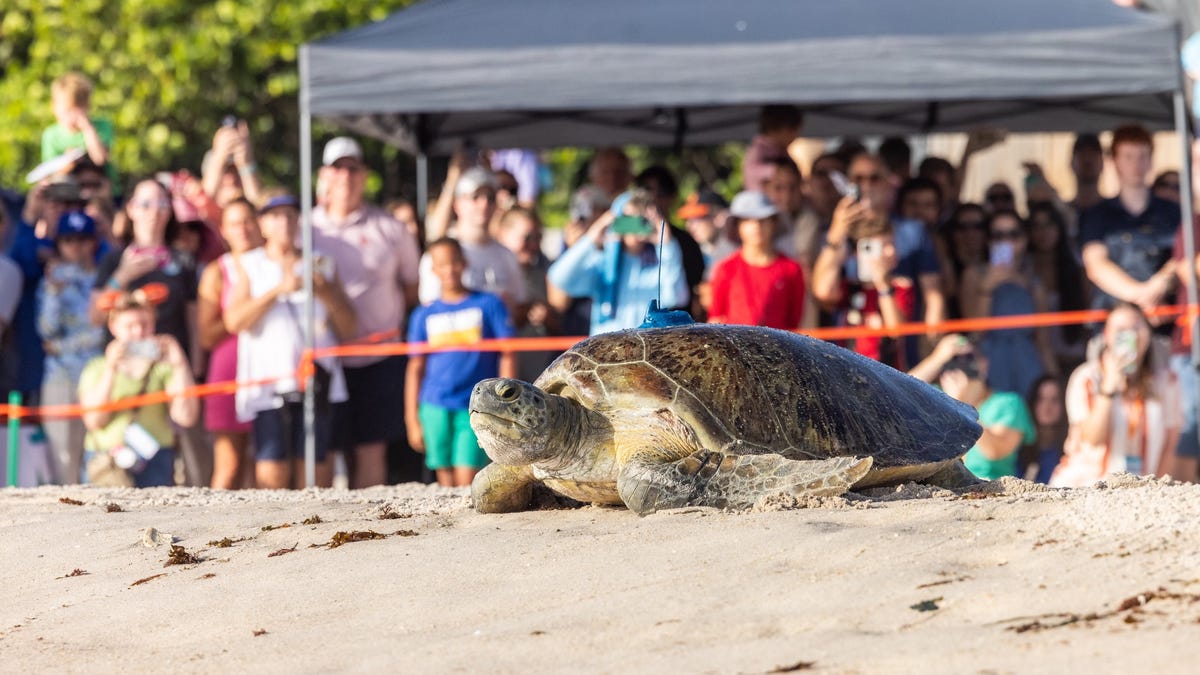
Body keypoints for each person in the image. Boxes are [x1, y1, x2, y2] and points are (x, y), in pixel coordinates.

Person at [227, 193, 357, 489]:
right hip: (271, 385)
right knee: (272, 469)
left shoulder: (322, 262)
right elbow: (235, 321)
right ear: (263, 224)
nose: (284, 222)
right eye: (275, 216)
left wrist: (325, 292)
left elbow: (349, 327)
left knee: (316, 468)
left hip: (317, 382)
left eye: (289, 215)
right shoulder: (250, 264)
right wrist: (277, 291)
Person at [312, 136, 421, 488]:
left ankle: (369, 530)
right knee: (327, 449)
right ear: (324, 175)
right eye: (337, 168)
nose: (345, 176)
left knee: (371, 449)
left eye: (353, 168)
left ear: (364, 175)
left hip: (379, 355)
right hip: (326, 357)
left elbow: (412, 285)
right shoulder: (307, 230)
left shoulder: (390, 228)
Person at [91, 178, 204, 484]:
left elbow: (193, 320)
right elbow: (94, 315)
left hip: (169, 369)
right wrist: (122, 276)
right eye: (145, 203)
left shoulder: (182, 260)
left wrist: (194, 367)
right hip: (123, 369)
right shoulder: (115, 258)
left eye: (162, 203)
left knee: (183, 460)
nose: (154, 211)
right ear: (130, 209)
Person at [812, 152, 944, 363]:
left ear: (888, 182)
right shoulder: (836, 233)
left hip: (899, 354)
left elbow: (933, 295)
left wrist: (932, 350)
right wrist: (837, 232)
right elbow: (823, 292)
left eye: (874, 178)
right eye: (858, 179)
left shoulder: (912, 230)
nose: (867, 185)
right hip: (849, 356)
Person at [406, 238, 516, 487]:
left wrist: (504, 402)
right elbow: (415, 368)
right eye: (442, 264)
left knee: (467, 476)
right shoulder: (423, 314)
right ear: (433, 270)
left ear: (464, 264)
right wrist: (412, 419)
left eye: (454, 262)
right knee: (444, 477)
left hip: (474, 405)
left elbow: (507, 353)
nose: (449, 270)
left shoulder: (489, 304)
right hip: (434, 404)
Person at [79, 284, 198, 487]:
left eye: (144, 324)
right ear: (113, 327)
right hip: (107, 458)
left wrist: (180, 364)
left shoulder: (163, 369)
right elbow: (94, 421)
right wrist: (110, 369)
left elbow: (186, 417)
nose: (138, 332)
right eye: (130, 326)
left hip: (156, 455)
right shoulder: (96, 368)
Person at [1049, 304, 1180, 487]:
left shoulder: (1166, 381)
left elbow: (1171, 442)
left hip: (1140, 491)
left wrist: (1157, 487)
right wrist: (1109, 387)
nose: (1130, 335)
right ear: (1106, 335)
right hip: (1086, 485)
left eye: (1136, 327)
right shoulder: (1087, 377)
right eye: (1121, 330)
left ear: (1148, 333)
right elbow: (1093, 440)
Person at [1079, 124, 1181, 326]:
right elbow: (1096, 265)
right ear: (1114, 161)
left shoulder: (1174, 212)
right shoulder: (1097, 215)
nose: (1136, 164)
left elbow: (1184, 257)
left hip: (1163, 324)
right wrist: (1142, 297)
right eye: (1128, 156)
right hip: (1113, 324)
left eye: (1142, 156)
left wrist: (1160, 285)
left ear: (1151, 161)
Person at [548, 189, 688, 335]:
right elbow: (559, 279)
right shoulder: (603, 263)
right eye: (627, 219)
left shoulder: (660, 262)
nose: (634, 226)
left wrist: (666, 245)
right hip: (608, 352)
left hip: (645, 350)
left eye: (641, 219)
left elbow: (677, 297)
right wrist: (592, 236)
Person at [198, 198, 263, 489]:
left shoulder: (274, 264)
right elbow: (206, 334)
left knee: (264, 462)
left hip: (267, 368)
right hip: (229, 370)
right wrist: (242, 315)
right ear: (224, 230)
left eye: (248, 221)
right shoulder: (217, 272)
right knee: (229, 464)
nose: (243, 230)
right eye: (235, 223)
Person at [37, 211, 105, 484]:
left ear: (93, 242)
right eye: (67, 239)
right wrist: (53, 292)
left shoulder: (104, 277)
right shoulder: (51, 279)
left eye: (82, 238)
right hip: (60, 378)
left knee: (97, 452)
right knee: (63, 456)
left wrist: (62, 346)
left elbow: (102, 333)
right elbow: (45, 330)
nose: (75, 245)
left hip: (99, 375)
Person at [908, 335, 1036, 480]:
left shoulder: (1008, 403)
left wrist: (960, 406)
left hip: (990, 485)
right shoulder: (938, 397)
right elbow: (898, 391)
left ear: (984, 363)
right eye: (954, 359)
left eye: (968, 358)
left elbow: (995, 451)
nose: (961, 364)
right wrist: (938, 358)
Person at [959, 209, 1056, 395]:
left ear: (1024, 239)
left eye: (1014, 234)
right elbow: (975, 332)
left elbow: (1043, 341)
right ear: (989, 240)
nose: (1007, 241)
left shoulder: (1033, 283)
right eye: (998, 235)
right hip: (990, 362)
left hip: (1028, 362)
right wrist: (988, 288)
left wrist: (1053, 380)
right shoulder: (974, 275)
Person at [9, 176, 87, 402]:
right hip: (35, 367)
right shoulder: (32, 245)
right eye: (55, 205)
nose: (62, 212)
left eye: (70, 205)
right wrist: (30, 217)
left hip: (85, 368)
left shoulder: (93, 245)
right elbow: (14, 269)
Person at [417, 166, 527, 310]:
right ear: (457, 204)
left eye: (490, 197)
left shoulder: (507, 256)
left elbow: (519, 305)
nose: (484, 204)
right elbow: (430, 309)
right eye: (475, 197)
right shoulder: (441, 255)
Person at [824, 215, 915, 367]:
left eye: (892, 243)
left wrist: (883, 285)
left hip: (886, 374)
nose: (891, 251)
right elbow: (824, 292)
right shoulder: (849, 286)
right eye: (883, 246)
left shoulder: (900, 287)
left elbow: (897, 331)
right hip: (847, 369)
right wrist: (838, 252)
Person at [708, 192, 806, 330]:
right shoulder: (726, 268)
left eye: (762, 219)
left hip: (777, 349)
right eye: (747, 220)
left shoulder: (791, 269)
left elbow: (794, 321)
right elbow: (715, 318)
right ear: (738, 227)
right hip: (735, 348)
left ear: (774, 223)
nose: (756, 226)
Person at [495, 207, 559, 383]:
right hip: (500, 373)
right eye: (527, 238)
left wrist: (548, 316)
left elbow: (559, 325)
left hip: (538, 373)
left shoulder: (545, 274)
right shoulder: (493, 275)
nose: (533, 245)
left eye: (538, 238)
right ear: (502, 234)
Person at [1027, 202, 1089, 374]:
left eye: (1049, 224)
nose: (1043, 232)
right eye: (1036, 226)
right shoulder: (1024, 271)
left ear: (1059, 228)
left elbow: (1088, 318)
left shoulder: (1077, 269)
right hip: (1035, 363)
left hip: (1076, 360)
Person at [41, 72, 117, 189]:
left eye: (76, 111)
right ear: (54, 106)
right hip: (66, 187)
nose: (71, 117)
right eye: (67, 111)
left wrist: (87, 128)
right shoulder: (51, 135)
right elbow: (50, 171)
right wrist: (68, 162)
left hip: (97, 187)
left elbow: (100, 159)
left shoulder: (102, 126)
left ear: (87, 107)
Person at [941, 203, 988, 319]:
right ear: (953, 232)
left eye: (978, 226)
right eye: (963, 227)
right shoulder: (945, 268)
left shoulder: (994, 265)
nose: (970, 233)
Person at [742, 105, 803, 191]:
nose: (796, 136)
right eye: (794, 131)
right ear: (780, 129)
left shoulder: (782, 151)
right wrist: (775, 170)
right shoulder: (759, 149)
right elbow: (750, 171)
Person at [1024, 375, 1067, 484]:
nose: (1047, 406)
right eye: (1041, 399)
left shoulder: (1072, 449)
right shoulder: (1017, 447)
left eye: (1055, 400)